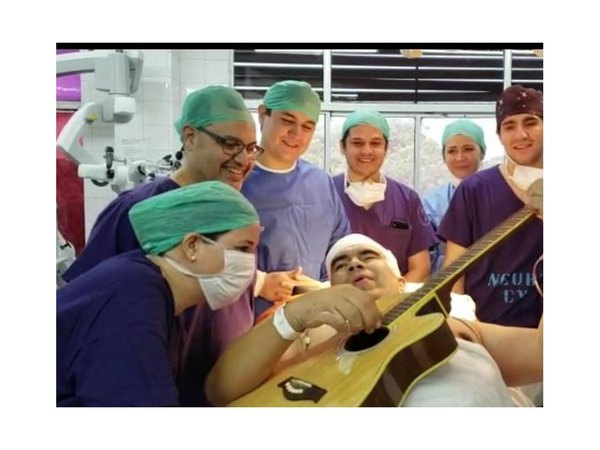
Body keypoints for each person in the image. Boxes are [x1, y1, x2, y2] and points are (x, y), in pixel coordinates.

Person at [208, 233, 540, 406]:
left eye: (368, 258)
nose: (354, 264)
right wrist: (293, 315)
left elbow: (544, 355)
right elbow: (220, 391)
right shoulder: (307, 333)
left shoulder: (451, 325)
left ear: (400, 282)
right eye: (341, 265)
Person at [57, 181, 263, 406]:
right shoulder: (133, 297)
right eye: (243, 249)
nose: (250, 264)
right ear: (192, 245)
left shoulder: (161, 297)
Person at [241, 80, 351, 319]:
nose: (296, 134)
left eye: (307, 126)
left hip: (315, 317)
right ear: (262, 115)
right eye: (287, 121)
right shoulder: (237, 181)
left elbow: (341, 248)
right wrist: (259, 282)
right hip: (250, 319)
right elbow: (212, 262)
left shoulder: (321, 183)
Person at [437, 85, 543, 328]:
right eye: (509, 126)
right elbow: (455, 272)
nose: (521, 135)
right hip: (487, 332)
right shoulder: (475, 189)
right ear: (499, 136)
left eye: (531, 123)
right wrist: (463, 330)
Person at [332, 109, 435, 282]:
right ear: (343, 147)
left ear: (386, 147)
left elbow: (420, 267)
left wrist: (392, 301)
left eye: (375, 143)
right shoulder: (324, 193)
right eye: (357, 143)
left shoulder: (407, 199)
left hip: (396, 303)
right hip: (337, 302)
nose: (367, 151)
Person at [423, 119, 486, 272]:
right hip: (446, 282)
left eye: (468, 149)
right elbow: (427, 255)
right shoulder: (431, 203)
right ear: (444, 157)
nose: (460, 157)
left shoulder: (499, 192)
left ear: (482, 152)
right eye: (452, 151)